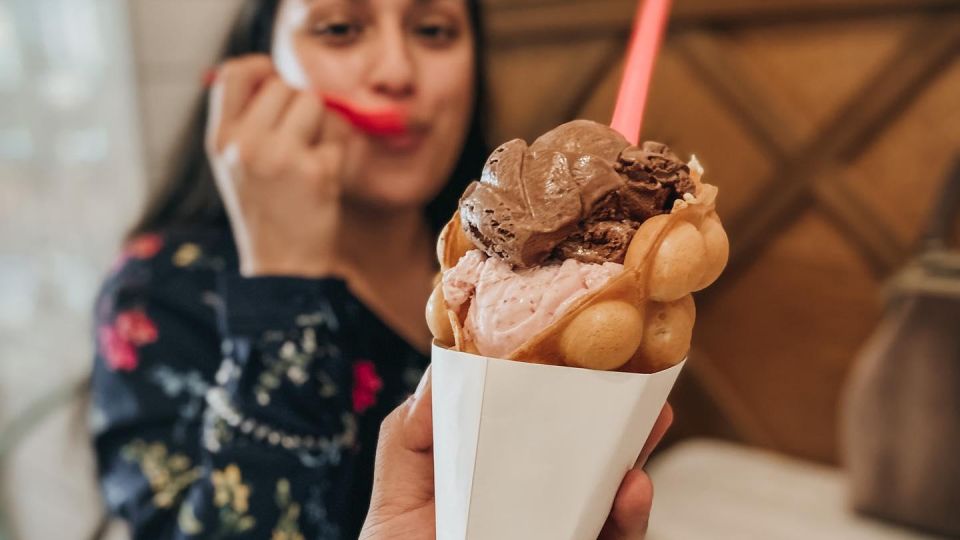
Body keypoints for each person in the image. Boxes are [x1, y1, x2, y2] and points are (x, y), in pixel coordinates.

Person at [90, 0, 670, 538]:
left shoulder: (515, 257)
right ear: (262, 68)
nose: (396, 71)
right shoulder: (161, 291)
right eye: (340, 30)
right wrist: (280, 282)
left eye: (433, 31)